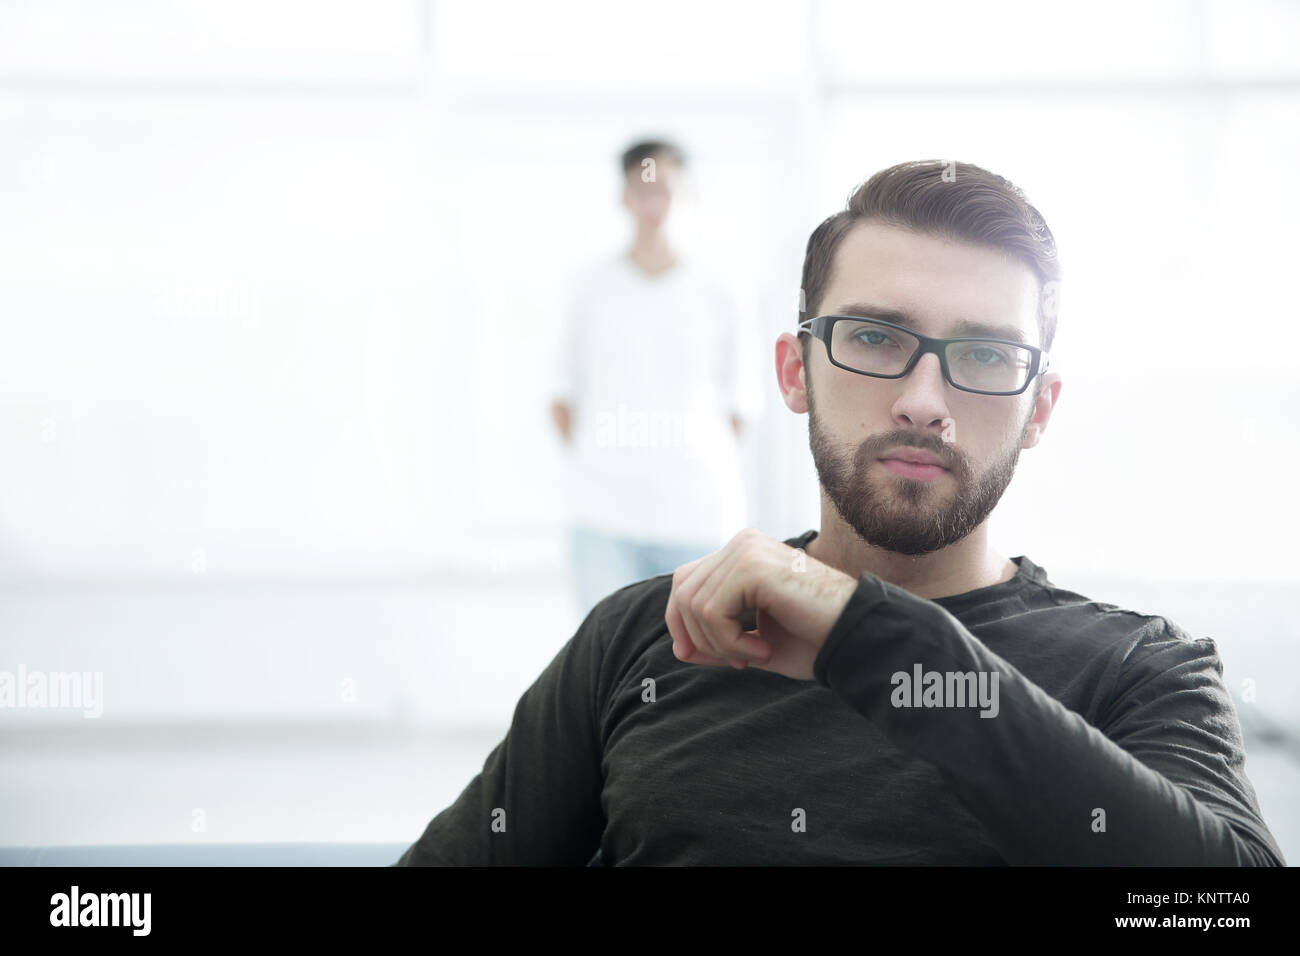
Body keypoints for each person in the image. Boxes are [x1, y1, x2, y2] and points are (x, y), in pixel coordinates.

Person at [396, 159, 1285, 865]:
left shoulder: (1139, 671)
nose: (923, 401)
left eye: (982, 354)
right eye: (874, 339)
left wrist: (872, 634)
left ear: (1039, 409)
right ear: (794, 372)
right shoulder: (642, 637)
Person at [548, 138, 763, 616]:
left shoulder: (720, 287)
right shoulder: (589, 287)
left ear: (686, 194)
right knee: (604, 664)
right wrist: (602, 462)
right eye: (642, 189)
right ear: (623, 197)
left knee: (701, 665)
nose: (654, 203)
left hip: (697, 515)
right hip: (603, 516)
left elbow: (740, 405)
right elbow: (561, 399)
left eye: (665, 188)